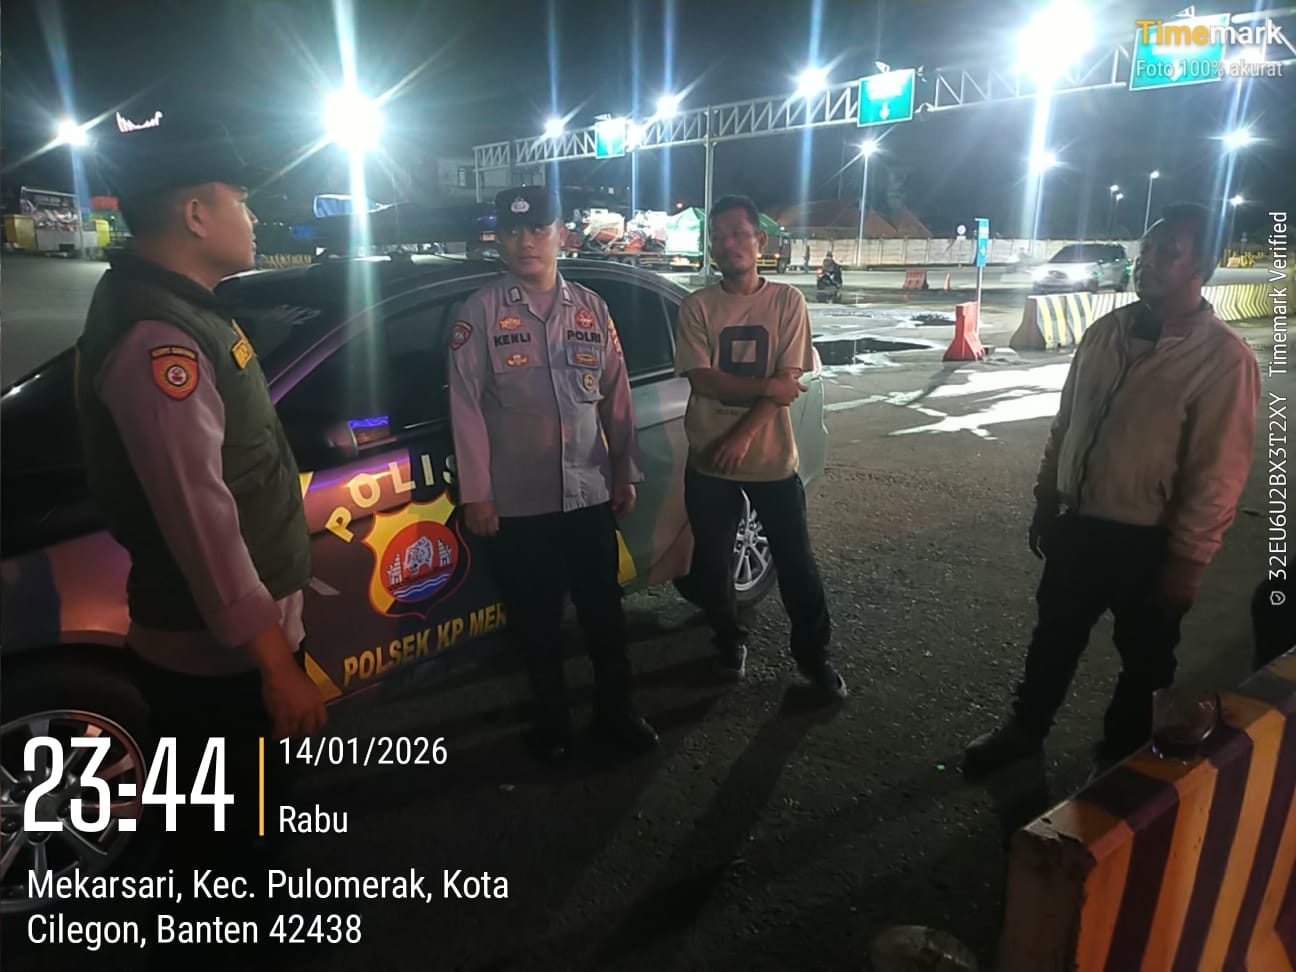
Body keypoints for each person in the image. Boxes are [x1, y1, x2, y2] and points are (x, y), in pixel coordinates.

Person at [76, 119, 327, 859]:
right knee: (229, 841)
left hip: (234, 651)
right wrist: (274, 664)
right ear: (195, 214)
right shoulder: (160, 339)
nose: (253, 217)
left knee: (246, 821)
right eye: (241, 201)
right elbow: (200, 519)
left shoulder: (185, 310)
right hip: (219, 664)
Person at [964, 203, 1261, 777]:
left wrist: (1187, 563)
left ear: (1204, 266)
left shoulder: (1224, 360)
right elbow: (1066, 422)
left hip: (1150, 544)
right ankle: (1026, 729)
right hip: (1079, 526)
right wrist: (1046, 496)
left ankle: (1124, 760)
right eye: (1146, 249)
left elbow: (1217, 474)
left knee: (1146, 659)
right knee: (1054, 637)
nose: (1147, 261)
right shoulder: (1105, 332)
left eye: (1167, 252)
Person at [448, 186, 658, 761]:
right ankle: (551, 724)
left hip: (589, 492)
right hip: (519, 502)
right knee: (535, 621)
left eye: (538, 229)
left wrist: (625, 470)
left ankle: (617, 713)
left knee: (604, 613)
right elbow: (465, 407)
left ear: (561, 235)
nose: (526, 242)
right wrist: (478, 493)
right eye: (514, 231)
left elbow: (616, 394)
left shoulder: (592, 309)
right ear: (499, 238)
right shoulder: (480, 313)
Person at [674, 194, 846, 700]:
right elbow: (703, 379)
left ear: (760, 240)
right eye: (717, 237)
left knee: (796, 564)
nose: (727, 244)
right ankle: (728, 643)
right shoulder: (697, 307)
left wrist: (742, 435)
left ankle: (815, 661)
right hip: (708, 461)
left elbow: (788, 382)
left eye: (737, 234)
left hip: (770, 461)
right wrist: (766, 387)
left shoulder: (787, 302)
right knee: (711, 565)